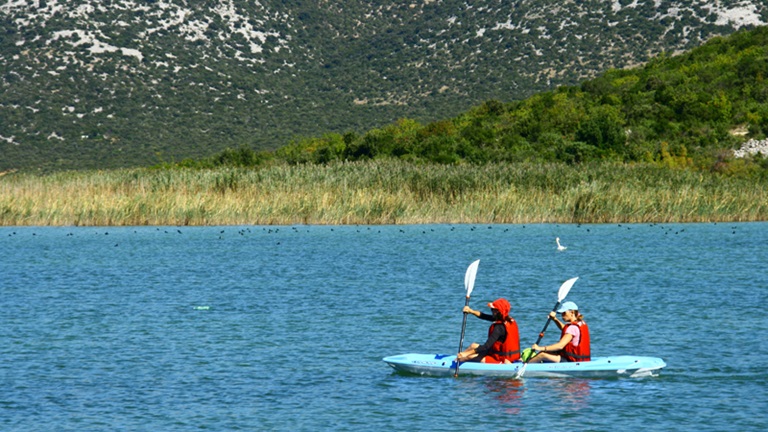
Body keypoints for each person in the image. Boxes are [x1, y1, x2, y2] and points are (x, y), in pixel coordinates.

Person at [457, 298, 521, 364]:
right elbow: (484, 316)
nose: (491, 311)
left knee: (469, 357)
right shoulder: (508, 320)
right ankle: (457, 359)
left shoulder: (499, 328)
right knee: (473, 345)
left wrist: (466, 354)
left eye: (492, 309)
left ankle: (458, 362)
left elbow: (486, 347)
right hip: (511, 356)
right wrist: (471, 311)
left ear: (498, 312)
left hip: (501, 359)